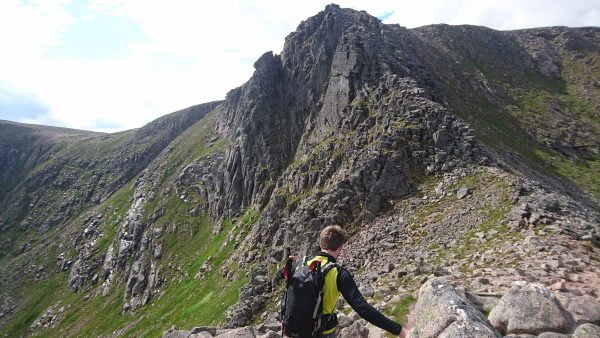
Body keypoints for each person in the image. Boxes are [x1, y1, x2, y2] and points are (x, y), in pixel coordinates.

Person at [283, 225, 410, 338]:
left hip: (291, 330)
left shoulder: (301, 264)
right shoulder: (338, 273)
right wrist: (399, 330)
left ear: (321, 244)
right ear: (340, 247)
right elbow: (362, 308)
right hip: (321, 333)